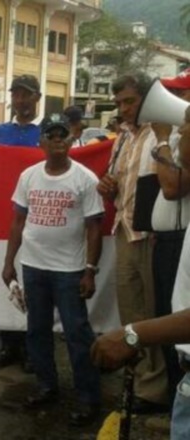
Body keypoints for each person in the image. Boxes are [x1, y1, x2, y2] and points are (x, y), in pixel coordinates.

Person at [3, 115, 103, 426]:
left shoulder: (85, 179)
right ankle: (47, 386)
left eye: (63, 135)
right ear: (41, 142)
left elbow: (94, 228)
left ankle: (88, 399)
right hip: (33, 267)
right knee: (37, 331)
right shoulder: (29, 176)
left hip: (69, 271)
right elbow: (18, 221)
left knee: (76, 334)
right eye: (51, 135)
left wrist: (89, 270)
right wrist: (9, 263)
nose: (58, 140)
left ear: (71, 140)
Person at [96, 72, 169, 414]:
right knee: (131, 309)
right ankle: (141, 376)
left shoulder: (165, 132)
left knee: (154, 310)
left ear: (146, 99)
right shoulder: (122, 136)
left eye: (130, 101)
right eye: (119, 103)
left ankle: (155, 388)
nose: (124, 109)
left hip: (154, 235)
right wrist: (106, 186)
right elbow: (118, 182)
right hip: (125, 230)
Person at [0, 74, 43, 371]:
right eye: (16, 95)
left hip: (40, 221)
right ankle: (9, 344)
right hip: (3, 219)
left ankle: (34, 348)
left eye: (26, 95)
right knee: (7, 282)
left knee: (35, 286)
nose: (20, 100)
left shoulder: (48, 132)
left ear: (37, 98)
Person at [145, 68, 190, 406]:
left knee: (175, 321)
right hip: (167, 244)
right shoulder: (177, 140)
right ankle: (177, 394)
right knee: (165, 311)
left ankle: (179, 393)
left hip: (176, 243)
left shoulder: (173, 141)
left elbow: (172, 187)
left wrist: (162, 141)